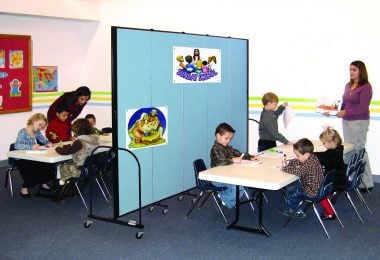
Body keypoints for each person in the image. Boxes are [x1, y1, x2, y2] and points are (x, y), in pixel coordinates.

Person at [335, 60, 373, 192]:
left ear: (361, 71)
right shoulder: (347, 85)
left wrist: (346, 112)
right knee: (350, 150)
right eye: (350, 69)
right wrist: (335, 112)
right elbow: (344, 103)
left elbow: (363, 108)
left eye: (354, 70)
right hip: (346, 121)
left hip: (359, 122)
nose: (351, 72)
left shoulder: (366, 87)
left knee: (359, 150)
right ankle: (354, 180)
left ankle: (367, 183)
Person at [210, 122, 258, 209]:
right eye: (226, 138)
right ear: (218, 136)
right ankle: (225, 199)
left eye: (230, 139)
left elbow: (238, 153)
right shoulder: (215, 149)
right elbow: (219, 161)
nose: (228, 141)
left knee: (240, 187)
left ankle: (227, 201)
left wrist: (249, 157)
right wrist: (232, 160)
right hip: (217, 178)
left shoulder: (228, 147)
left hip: (227, 175)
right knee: (238, 188)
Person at [279, 138, 324, 218]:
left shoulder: (309, 163)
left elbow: (299, 172)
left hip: (312, 191)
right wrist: (292, 161)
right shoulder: (312, 157)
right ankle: (295, 207)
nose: (296, 157)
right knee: (292, 187)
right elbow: (300, 161)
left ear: (306, 154)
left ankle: (295, 211)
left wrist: (284, 168)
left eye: (298, 155)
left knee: (291, 192)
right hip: (319, 188)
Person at [14, 113, 55, 198]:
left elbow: (43, 139)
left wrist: (48, 143)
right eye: (40, 125)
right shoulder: (23, 132)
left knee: (47, 165)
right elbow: (17, 145)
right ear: (34, 121)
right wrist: (31, 147)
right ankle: (24, 188)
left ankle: (44, 183)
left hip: (32, 156)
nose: (40, 127)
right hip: (22, 158)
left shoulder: (37, 132)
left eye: (42, 126)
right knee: (31, 170)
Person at [315, 126, 348, 220]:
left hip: (336, 182)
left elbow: (324, 158)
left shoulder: (333, 154)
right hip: (340, 179)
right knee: (325, 191)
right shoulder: (338, 149)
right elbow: (325, 155)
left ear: (332, 142)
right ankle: (330, 198)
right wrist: (314, 154)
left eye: (324, 143)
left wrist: (312, 155)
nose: (323, 145)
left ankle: (331, 214)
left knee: (320, 195)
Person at [55, 118, 99, 183]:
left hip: (81, 170)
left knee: (60, 166)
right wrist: (66, 146)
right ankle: (68, 183)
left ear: (76, 130)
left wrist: (57, 148)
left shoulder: (79, 142)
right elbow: (73, 147)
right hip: (93, 167)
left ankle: (63, 186)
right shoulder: (92, 139)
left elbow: (64, 152)